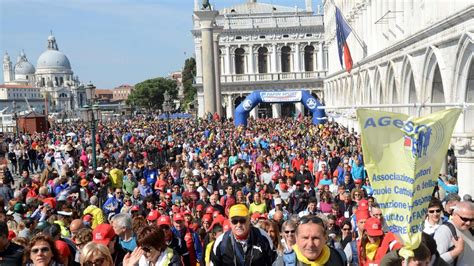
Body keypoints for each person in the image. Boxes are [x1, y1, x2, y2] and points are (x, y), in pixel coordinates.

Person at [210, 204, 275, 265]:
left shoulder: (262, 237)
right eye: (234, 221)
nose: (239, 225)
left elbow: (272, 262)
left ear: (249, 220)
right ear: (230, 222)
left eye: (242, 220)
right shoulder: (221, 241)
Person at [273, 215, 345, 265]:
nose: (310, 244)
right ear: (296, 238)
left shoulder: (338, 258)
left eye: (315, 238)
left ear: (325, 238)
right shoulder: (284, 262)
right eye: (305, 238)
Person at [434, 201, 474, 265]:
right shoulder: (445, 230)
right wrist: (457, 251)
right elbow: (435, 260)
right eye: (465, 219)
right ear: (454, 214)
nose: (468, 223)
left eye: (472, 219)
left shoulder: (470, 229)